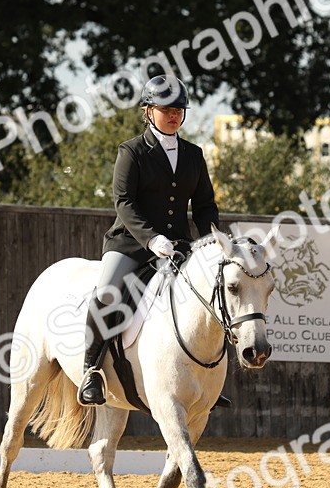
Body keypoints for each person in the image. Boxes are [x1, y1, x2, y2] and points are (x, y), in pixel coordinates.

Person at [77, 74, 230, 408]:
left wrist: (210, 241)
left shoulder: (193, 154)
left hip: (179, 246)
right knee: (106, 293)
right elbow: (123, 202)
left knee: (211, 294)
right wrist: (151, 239)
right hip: (132, 244)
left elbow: (204, 204)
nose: (173, 115)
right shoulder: (132, 151)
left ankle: (204, 381)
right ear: (148, 111)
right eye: (165, 108)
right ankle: (91, 371)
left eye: (179, 109)